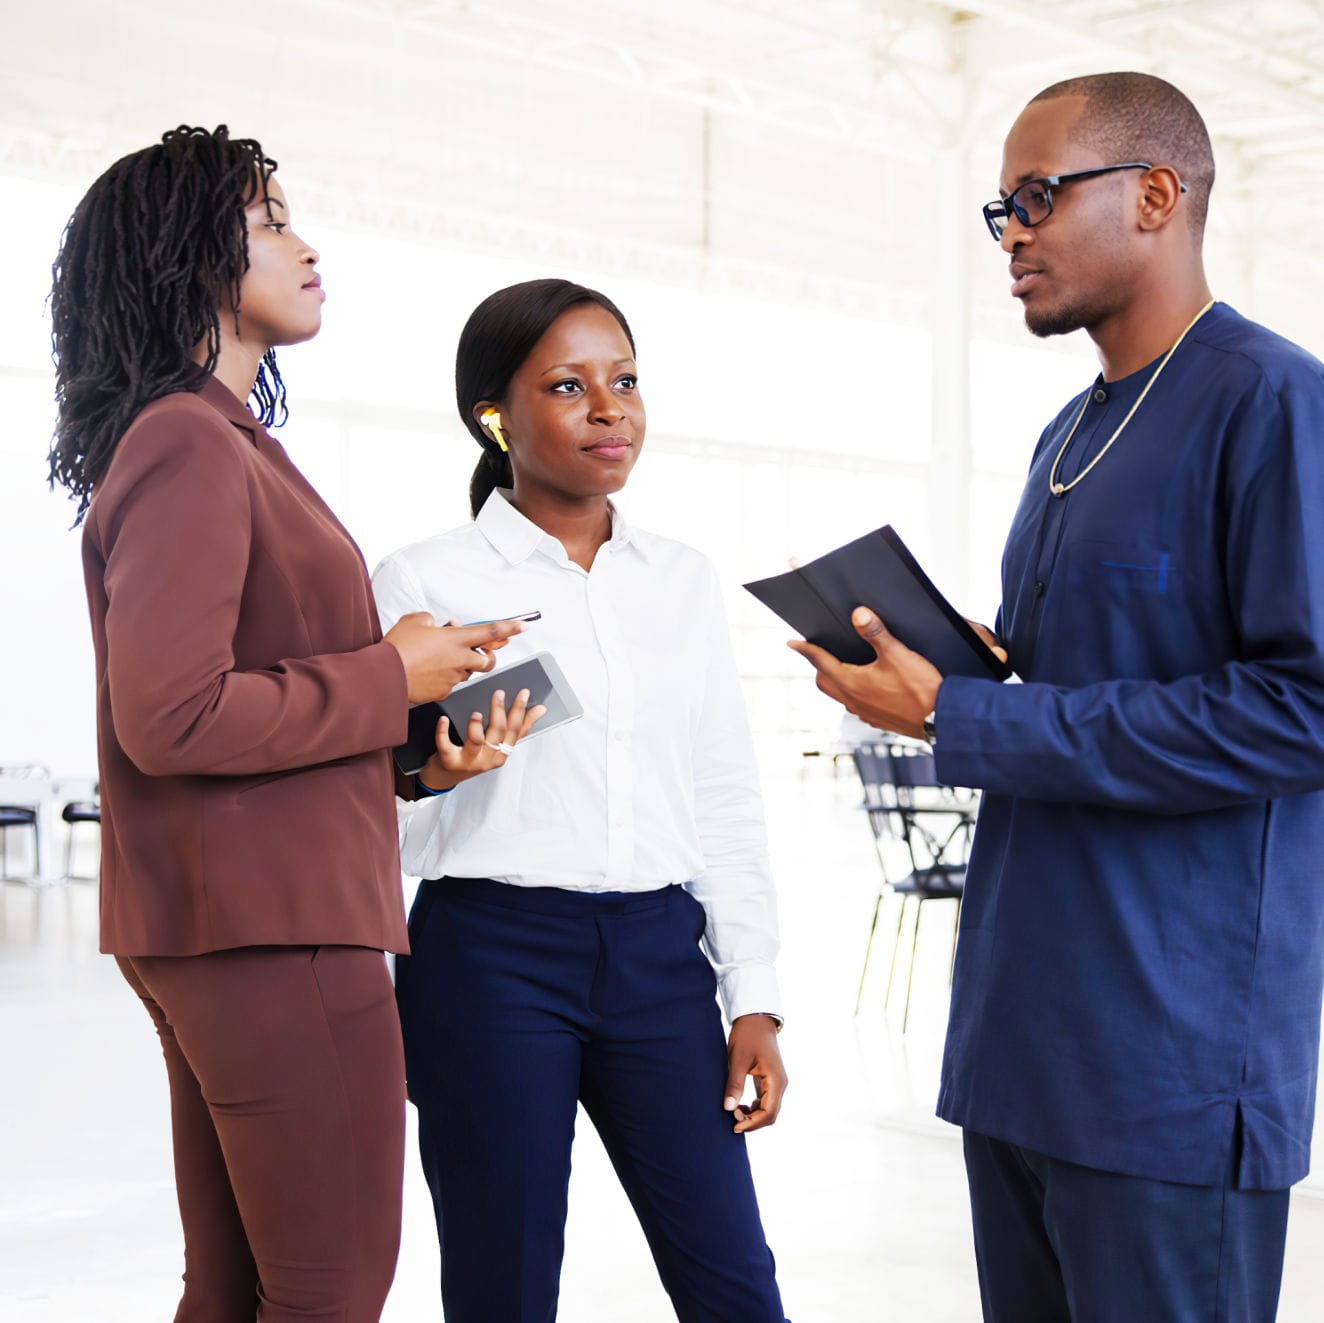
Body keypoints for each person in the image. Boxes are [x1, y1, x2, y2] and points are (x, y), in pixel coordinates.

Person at [791, 73, 1324, 1322]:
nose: (1011, 234)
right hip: (1021, 1040)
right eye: (1000, 209)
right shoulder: (1064, 436)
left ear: (1155, 195)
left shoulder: (1271, 403)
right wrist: (961, 664)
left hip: (1166, 1060)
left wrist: (960, 716)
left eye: (1036, 198)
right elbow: (1101, 674)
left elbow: (1302, 709)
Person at [48, 125, 522, 1322]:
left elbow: (225, 700)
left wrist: (413, 757)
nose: (304, 245)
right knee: (327, 1293)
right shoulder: (192, 444)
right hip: (272, 930)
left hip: (233, 917)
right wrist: (387, 671)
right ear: (188, 255)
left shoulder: (200, 440)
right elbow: (173, 715)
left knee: (241, 1289)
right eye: (268, 220)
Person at [372, 277, 789, 1322]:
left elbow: (721, 794)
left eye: (626, 380)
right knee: (502, 1284)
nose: (611, 409)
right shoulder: (423, 580)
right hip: (488, 959)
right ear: (495, 415)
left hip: (658, 959)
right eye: (568, 385)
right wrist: (435, 773)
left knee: (733, 1279)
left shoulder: (680, 579)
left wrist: (754, 995)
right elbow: (372, 812)